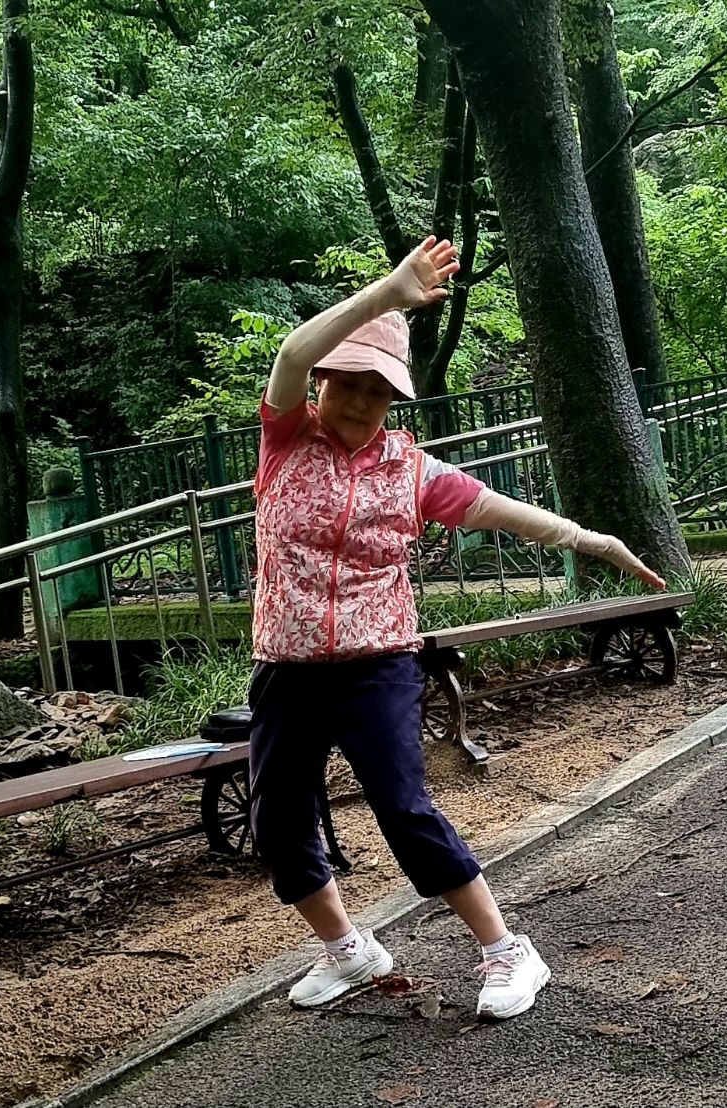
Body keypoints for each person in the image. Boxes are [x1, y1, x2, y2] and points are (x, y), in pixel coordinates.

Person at [248, 235, 666, 1019]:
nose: (360, 402)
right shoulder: (285, 443)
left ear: (393, 401)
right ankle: (349, 950)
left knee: (403, 807)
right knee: (276, 823)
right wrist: (387, 294)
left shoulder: (414, 473)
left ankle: (508, 952)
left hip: (376, 665)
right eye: (348, 383)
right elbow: (291, 351)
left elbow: (513, 515)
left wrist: (596, 541)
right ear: (323, 383)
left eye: (378, 392)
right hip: (286, 667)